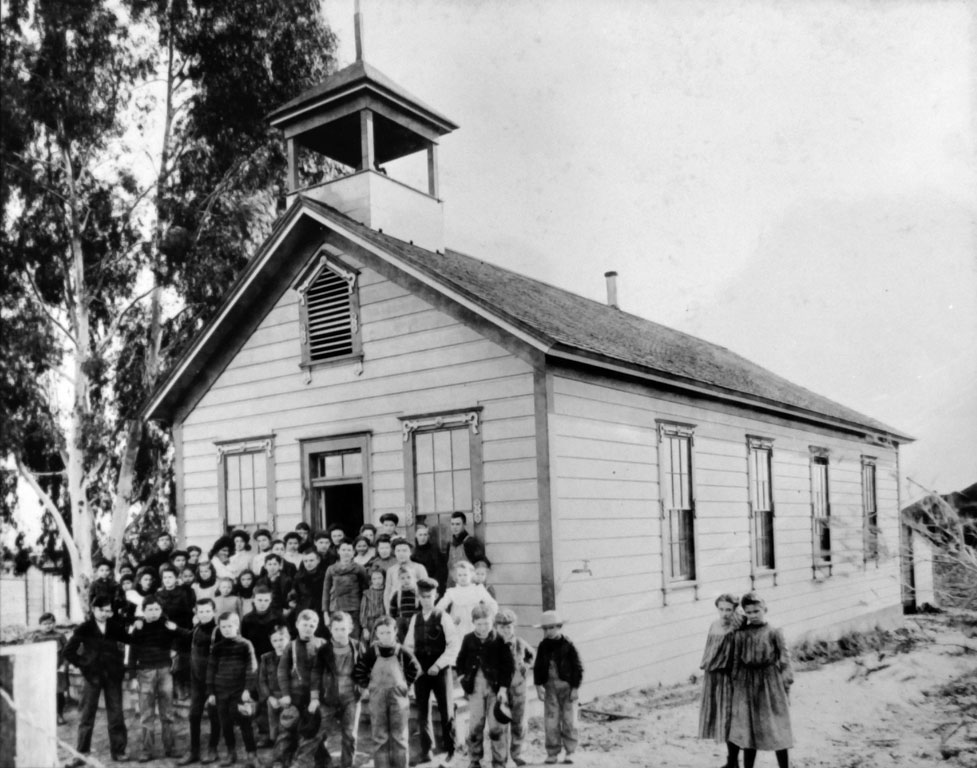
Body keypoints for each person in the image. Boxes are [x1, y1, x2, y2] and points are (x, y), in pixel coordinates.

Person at [65, 596, 134, 764]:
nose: (104, 613)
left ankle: (118, 751)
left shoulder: (115, 626)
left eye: (108, 610)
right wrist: (84, 664)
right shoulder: (85, 628)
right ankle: (81, 753)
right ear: (93, 609)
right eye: (101, 610)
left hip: (112, 676)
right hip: (92, 676)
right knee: (86, 715)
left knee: (116, 714)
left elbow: (130, 641)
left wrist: (121, 664)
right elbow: (68, 651)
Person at [727, 592, 793, 768]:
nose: (753, 616)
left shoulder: (774, 631)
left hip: (770, 681)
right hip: (747, 682)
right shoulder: (741, 634)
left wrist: (786, 687)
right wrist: (736, 684)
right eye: (748, 612)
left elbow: (785, 659)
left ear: (765, 609)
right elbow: (736, 661)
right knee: (749, 728)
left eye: (757, 611)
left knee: (777, 726)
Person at [403, 577, 460, 765]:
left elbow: (453, 645)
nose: (427, 600)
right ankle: (426, 750)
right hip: (421, 669)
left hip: (440, 668)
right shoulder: (415, 619)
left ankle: (451, 749)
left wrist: (439, 665)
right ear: (419, 598)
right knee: (422, 710)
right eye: (423, 597)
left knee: (446, 709)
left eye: (430, 596)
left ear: (435, 597)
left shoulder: (443, 617)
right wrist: (415, 667)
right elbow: (408, 646)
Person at [352, 616, 421, 768]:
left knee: (400, 737)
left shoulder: (402, 651)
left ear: (395, 632)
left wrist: (405, 684)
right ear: (376, 633)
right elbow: (359, 671)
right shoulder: (371, 652)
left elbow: (415, 668)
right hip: (377, 698)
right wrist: (367, 686)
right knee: (379, 737)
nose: (385, 636)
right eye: (381, 633)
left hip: (398, 698)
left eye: (389, 632)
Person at [456, 604, 514, 768]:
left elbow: (507, 667)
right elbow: (460, 660)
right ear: (473, 623)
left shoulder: (499, 639)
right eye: (479, 624)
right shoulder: (468, 639)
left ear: (492, 623)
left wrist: (503, 689)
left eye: (486, 623)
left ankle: (499, 761)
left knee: (496, 727)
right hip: (475, 689)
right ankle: (474, 760)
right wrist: (463, 679)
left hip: (495, 690)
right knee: (475, 726)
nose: (483, 628)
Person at [129, 595, 182, 761]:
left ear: (161, 610)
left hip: (165, 671)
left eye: (157, 609)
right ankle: (147, 750)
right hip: (145, 672)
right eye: (150, 609)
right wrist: (132, 676)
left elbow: (180, 639)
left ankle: (170, 748)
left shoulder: (167, 625)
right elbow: (132, 653)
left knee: (167, 712)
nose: (153, 612)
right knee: (146, 714)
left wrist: (174, 647)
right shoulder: (138, 627)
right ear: (143, 611)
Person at [271, 610, 326, 768]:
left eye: (312, 625)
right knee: (286, 730)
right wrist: (286, 694)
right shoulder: (291, 646)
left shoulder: (321, 644)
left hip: (315, 698)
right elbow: (282, 672)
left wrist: (319, 697)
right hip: (295, 696)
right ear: (297, 625)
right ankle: (279, 760)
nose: (308, 628)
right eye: (305, 625)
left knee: (312, 731)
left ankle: (310, 762)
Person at [206, 612, 259, 767]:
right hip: (221, 691)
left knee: (244, 722)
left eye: (230, 626)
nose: (227, 629)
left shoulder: (245, 644)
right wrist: (211, 692)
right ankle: (231, 753)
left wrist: (248, 689)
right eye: (223, 627)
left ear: (237, 626)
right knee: (226, 723)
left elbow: (252, 668)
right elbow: (211, 670)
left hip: (239, 692)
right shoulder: (217, 647)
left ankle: (252, 755)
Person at [533, 610, 583, 765]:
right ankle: (553, 752)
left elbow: (578, 667)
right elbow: (538, 667)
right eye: (545, 628)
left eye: (552, 627)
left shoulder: (568, 645)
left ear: (559, 626)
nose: (548, 631)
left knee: (569, 721)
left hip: (567, 687)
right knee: (551, 721)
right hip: (550, 688)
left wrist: (575, 687)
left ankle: (570, 751)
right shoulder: (543, 646)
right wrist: (538, 686)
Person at [312, 612, 362, 768]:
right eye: (336, 629)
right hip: (329, 697)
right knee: (320, 732)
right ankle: (323, 761)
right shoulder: (324, 650)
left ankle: (347, 764)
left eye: (343, 629)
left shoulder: (357, 646)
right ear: (330, 629)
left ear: (350, 628)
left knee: (350, 734)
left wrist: (364, 687)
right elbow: (316, 673)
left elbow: (365, 668)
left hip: (351, 697)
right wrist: (314, 697)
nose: (340, 633)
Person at [176, 598, 222, 766]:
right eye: (201, 611)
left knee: (213, 715)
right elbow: (185, 636)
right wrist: (173, 628)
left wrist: (214, 688)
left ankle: (212, 749)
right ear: (196, 613)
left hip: (213, 683)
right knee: (194, 715)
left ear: (214, 612)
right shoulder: (196, 629)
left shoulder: (219, 632)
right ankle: (194, 751)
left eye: (208, 611)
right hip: (197, 681)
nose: (204, 614)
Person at [699, 593, 741, 768]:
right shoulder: (714, 625)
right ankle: (730, 761)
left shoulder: (738, 627)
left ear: (735, 610)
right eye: (721, 609)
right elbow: (709, 650)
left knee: (731, 719)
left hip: (729, 677)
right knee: (720, 718)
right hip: (713, 676)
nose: (725, 613)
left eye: (729, 610)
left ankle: (734, 760)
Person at [157, 564, 195, 700]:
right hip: (164, 631)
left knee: (180, 658)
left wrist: (179, 630)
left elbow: (188, 614)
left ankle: (181, 686)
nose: (167, 580)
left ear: (176, 578)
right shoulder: (159, 594)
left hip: (181, 630)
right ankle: (168, 688)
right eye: (165, 577)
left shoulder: (185, 593)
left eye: (170, 577)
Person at [436, 560, 498, 637]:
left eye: (465, 575)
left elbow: (492, 604)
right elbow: (439, 608)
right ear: (456, 577)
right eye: (460, 575)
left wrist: (487, 619)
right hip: (458, 625)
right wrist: (448, 620)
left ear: (471, 575)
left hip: (475, 623)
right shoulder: (452, 592)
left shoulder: (478, 590)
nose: (463, 578)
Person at [322, 540, 369, 640]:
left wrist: (364, 613)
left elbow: (365, 591)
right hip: (336, 608)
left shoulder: (360, 569)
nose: (346, 552)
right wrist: (325, 613)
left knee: (353, 638)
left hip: (354, 610)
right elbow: (326, 592)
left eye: (349, 550)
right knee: (337, 638)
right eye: (343, 549)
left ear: (353, 552)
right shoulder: (331, 569)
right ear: (338, 551)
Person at [30, 612, 69, 724]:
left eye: (50, 623)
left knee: (59, 693)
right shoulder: (36, 637)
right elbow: (32, 654)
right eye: (45, 624)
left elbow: (67, 652)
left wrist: (63, 665)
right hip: (43, 670)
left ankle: (59, 714)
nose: (48, 626)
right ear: (40, 625)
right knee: (44, 693)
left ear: (54, 624)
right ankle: (46, 716)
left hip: (58, 670)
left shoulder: (60, 636)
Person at [257, 625, 290, 750]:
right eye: (275, 641)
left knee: (286, 722)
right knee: (273, 721)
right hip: (273, 696)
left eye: (281, 639)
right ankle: (272, 739)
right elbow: (262, 681)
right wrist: (269, 697)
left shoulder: (292, 657)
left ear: (288, 638)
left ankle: (285, 744)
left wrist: (288, 696)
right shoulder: (266, 658)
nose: (278, 644)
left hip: (288, 696)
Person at [445, 513, 488, 587]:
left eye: (458, 524)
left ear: (464, 524)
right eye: (452, 524)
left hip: (468, 587)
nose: (455, 527)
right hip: (453, 587)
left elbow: (481, 565)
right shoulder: (450, 544)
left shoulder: (471, 543)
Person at [383, 538, 428, 608]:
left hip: (415, 607)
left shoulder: (419, 568)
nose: (401, 554)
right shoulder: (391, 570)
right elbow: (387, 591)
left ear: (410, 552)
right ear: (394, 553)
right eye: (398, 551)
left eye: (404, 550)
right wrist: (387, 610)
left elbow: (426, 589)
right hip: (396, 607)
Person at [387, 565, 420, 643]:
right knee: (402, 643)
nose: (406, 580)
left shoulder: (418, 594)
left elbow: (422, 610)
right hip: (401, 624)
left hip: (415, 623)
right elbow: (392, 612)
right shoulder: (397, 594)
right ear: (399, 579)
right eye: (403, 578)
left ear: (414, 578)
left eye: (409, 577)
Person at [410, 523, 444, 594]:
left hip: (433, 584)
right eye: (420, 535)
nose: (423, 537)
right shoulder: (413, 552)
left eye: (425, 535)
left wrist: (437, 587)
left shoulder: (434, 549)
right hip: (418, 585)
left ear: (428, 536)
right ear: (416, 536)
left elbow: (440, 570)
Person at [359, 568, 387, 649]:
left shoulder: (386, 592)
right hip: (370, 624)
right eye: (374, 579)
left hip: (383, 623)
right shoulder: (367, 593)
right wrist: (364, 628)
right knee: (368, 648)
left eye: (379, 578)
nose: (377, 581)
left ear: (384, 578)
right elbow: (363, 611)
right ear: (371, 580)